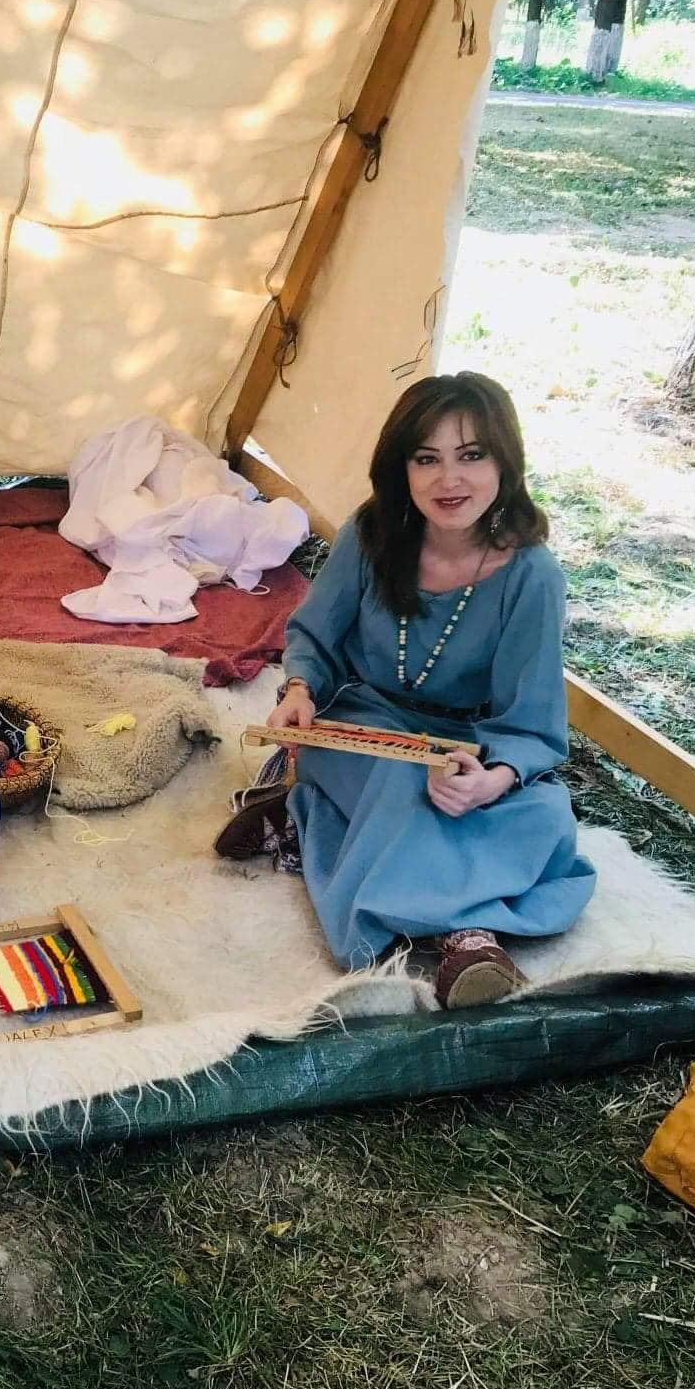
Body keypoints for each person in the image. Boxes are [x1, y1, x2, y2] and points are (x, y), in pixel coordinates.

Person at [263, 372, 597, 1007]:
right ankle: (468, 938)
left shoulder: (533, 576)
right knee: (404, 782)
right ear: (402, 468)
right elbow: (315, 637)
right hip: (361, 724)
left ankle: (304, 822)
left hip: (469, 742)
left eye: (471, 455)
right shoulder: (370, 534)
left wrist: (492, 780)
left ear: (505, 462)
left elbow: (531, 721)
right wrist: (300, 691)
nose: (449, 480)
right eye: (427, 459)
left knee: (541, 817)